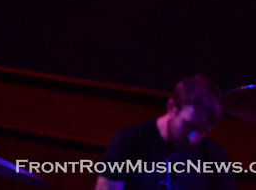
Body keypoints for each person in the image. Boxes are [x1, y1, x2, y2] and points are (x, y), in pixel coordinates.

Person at [95, 74, 238, 190]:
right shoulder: (128, 142)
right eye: (189, 126)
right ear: (172, 107)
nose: (193, 138)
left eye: (202, 131)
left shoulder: (215, 156)